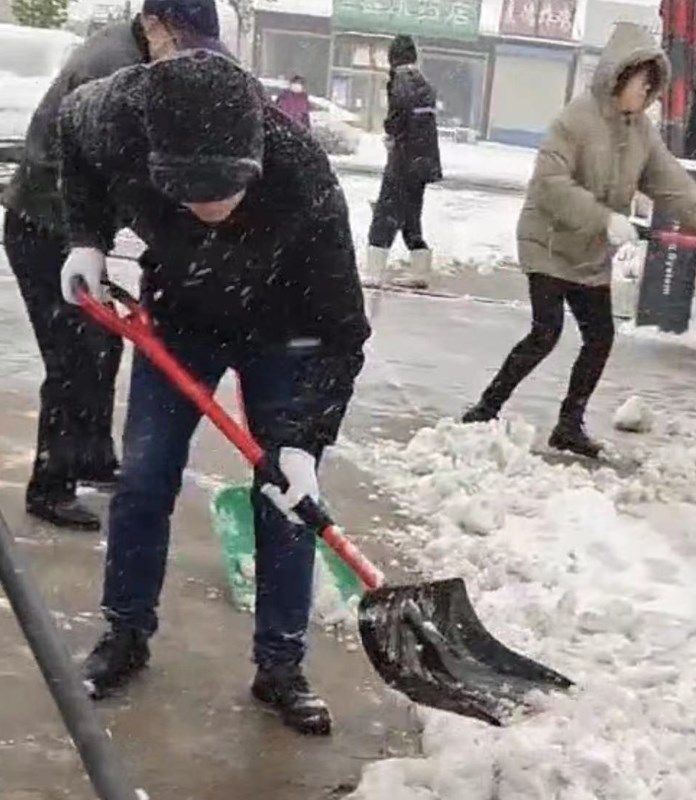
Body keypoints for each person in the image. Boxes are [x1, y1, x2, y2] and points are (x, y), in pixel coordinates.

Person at [58, 49, 369, 736]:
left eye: (221, 191)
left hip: (284, 333)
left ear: (254, 154)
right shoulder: (113, 115)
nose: (205, 212)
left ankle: (280, 667)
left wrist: (305, 443)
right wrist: (87, 238)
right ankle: (125, 633)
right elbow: (69, 138)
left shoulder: (303, 176)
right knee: (142, 480)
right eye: (188, 193)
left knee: (287, 499)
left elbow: (345, 331)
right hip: (180, 322)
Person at [462, 23, 696, 458]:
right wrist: (605, 219)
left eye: (651, 85)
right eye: (640, 82)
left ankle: (568, 425)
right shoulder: (575, 120)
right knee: (546, 332)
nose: (645, 92)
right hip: (548, 244)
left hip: (589, 254)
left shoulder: (641, 132)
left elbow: (671, 181)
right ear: (618, 76)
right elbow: (551, 185)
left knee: (599, 336)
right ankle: (486, 408)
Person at [1, 0, 223, 530]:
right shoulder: (113, 69)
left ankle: (93, 456)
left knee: (104, 343)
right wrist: (173, 239)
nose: (188, 48)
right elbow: (123, 173)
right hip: (44, 226)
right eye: (183, 34)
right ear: (153, 25)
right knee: (73, 354)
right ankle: (50, 487)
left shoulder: (141, 57)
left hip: (75, 226)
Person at [367, 34, 442, 290]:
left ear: (393, 57)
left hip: (403, 159)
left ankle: (374, 271)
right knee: (411, 215)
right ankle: (420, 271)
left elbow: (397, 118)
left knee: (385, 214)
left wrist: (390, 131)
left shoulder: (400, 81)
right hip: (423, 161)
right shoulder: (424, 84)